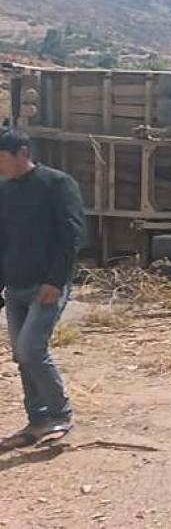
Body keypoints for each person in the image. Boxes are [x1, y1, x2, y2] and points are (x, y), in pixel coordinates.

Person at [0, 129, 86, 450]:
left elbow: (72, 237)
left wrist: (55, 280)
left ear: (22, 153)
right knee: (22, 357)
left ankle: (60, 415)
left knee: (31, 349)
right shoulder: (5, 192)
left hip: (46, 285)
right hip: (16, 286)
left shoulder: (57, 185)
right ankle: (37, 421)